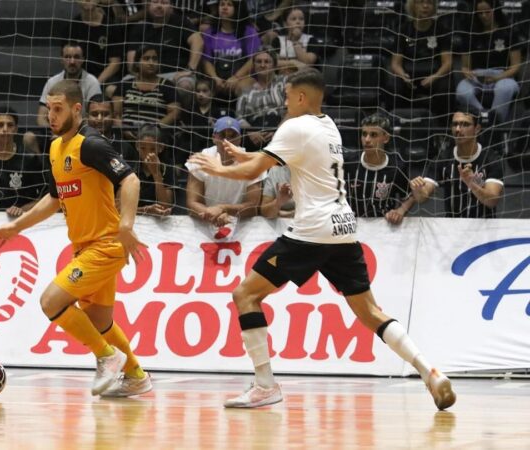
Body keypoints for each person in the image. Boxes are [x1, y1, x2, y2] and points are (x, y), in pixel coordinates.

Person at [187, 68, 456, 410]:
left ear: (301, 97)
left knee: (245, 295)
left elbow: (255, 171)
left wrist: (217, 169)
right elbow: (276, 158)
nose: (283, 103)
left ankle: (265, 386)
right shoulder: (327, 125)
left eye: (286, 96)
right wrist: (242, 156)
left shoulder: (294, 127)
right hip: (344, 228)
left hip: (312, 230)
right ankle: (429, 372)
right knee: (371, 312)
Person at [0, 80, 152, 397]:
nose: (51, 115)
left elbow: (130, 179)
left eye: (58, 109)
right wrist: (16, 227)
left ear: (77, 109)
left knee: (51, 301)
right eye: (48, 108)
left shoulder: (90, 144)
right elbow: (53, 199)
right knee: (99, 321)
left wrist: (127, 224)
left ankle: (107, 357)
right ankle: (136, 375)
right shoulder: (54, 148)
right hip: (83, 247)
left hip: (106, 245)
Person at [409, 109, 504, 218]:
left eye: (465, 124)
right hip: (453, 227)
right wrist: (417, 190)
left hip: (484, 227)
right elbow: (422, 197)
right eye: (455, 124)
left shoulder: (491, 158)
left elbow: (492, 201)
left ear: (477, 129)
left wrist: (471, 184)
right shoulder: (442, 158)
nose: (458, 129)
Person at [185, 116, 263, 231]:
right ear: (214, 138)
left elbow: (253, 206)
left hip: (241, 226)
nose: (227, 141)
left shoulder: (252, 162)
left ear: (240, 139)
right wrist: (213, 214)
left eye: (232, 136)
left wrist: (223, 208)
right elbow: (192, 203)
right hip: (205, 223)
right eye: (222, 136)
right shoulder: (201, 159)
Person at [0, 106, 45, 217]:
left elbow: (45, 197)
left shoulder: (30, 159)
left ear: (15, 129)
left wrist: (23, 210)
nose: (5, 129)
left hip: (22, 222)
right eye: (0, 125)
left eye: (10, 125)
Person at [456, 0, 522, 125]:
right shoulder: (470, 33)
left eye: (487, 12)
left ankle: (497, 125)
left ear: (495, 10)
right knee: (462, 91)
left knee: (505, 89)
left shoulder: (509, 31)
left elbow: (516, 66)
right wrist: (466, 71)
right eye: (480, 13)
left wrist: (498, 77)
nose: (484, 16)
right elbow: (465, 66)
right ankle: (484, 119)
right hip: (477, 75)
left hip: (503, 75)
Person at [344, 114, 414, 225]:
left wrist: (400, 211)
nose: (367, 140)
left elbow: (409, 196)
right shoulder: (348, 162)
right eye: (364, 134)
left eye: (373, 135)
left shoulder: (397, 167)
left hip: (383, 227)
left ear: (386, 138)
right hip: (350, 225)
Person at [388, 0, 452, 117]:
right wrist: (403, 75)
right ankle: (398, 123)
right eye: (420, 2)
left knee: (445, 87)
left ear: (434, 7)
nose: (425, 6)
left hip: (434, 76)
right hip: (409, 77)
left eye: (430, 3)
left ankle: (441, 128)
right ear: (413, 6)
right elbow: (395, 64)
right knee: (393, 86)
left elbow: (447, 63)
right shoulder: (403, 30)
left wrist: (433, 77)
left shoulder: (442, 30)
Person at [126, 0, 203, 93]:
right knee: (113, 89)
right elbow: (131, 63)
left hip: (175, 74)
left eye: (164, 3)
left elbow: (198, 42)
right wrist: (144, 77)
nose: (159, 6)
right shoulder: (139, 27)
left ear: (171, 7)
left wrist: (190, 69)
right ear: (148, 5)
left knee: (185, 85)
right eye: (155, 2)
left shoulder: (182, 22)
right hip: (145, 76)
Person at [112, 45, 180, 140]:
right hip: (126, 135)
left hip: (156, 136)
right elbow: (115, 114)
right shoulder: (125, 84)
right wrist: (124, 130)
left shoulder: (167, 85)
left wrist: (153, 130)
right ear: (137, 63)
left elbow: (174, 113)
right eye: (146, 58)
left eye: (155, 59)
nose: (151, 63)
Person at [201, 0, 260, 98]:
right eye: (222, 4)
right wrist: (215, 78)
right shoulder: (210, 32)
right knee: (203, 88)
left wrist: (236, 77)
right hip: (216, 78)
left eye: (229, 5)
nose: (224, 7)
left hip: (242, 78)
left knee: (243, 87)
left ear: (237, 8)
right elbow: (206, 61)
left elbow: (253, 60)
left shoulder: (249, 31)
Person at [37, 42, 103, 127]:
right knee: (29, 137)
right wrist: (54, 131)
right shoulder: (52, 82)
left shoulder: (92, 82)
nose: (72, 61)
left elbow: (95, 117)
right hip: (55, 133)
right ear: (61, 59)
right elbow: (41, 118)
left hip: (82, 133)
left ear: (83, 59)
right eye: (67, 57)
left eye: (76, 57)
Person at [235, 48, 286, 150]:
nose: (262, 65)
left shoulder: (284, 83)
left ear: (274, 65)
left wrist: (279, 130)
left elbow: (293, 110)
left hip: (283, 130)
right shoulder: (246, 92)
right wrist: (251, 132)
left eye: (267, 62)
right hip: (255, 135)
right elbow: (239, 118)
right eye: (259, 62)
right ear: (254, 66)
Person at [123, 123, 175, 217]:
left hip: (160, 222)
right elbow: (121, 208)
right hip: (134, 219)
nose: (147, 153)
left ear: (160, 148)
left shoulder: (167, 168)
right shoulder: (130, 168)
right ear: (137, 146)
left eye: (152, 149)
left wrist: (156, 173)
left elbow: (166, 207)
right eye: (143, 148)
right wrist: (146, 210)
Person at [273, 7, 319, 72]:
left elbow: (308, 63)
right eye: (293, 19)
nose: (298, 22)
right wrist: (292, 62)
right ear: (285, 24)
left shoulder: (311, 40)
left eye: (301, 19)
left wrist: (295, 41)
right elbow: (273, 63)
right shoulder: (277, 41)